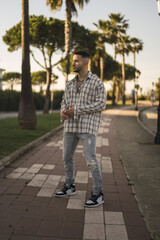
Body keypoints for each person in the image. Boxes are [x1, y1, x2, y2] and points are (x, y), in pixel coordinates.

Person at [55, 51, 106, 208]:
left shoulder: (97, 83)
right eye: (73, 61)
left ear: (85, 63)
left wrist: (77, 110)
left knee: (90, 160)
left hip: (87, 127)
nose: (73, 63)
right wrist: (63, 112)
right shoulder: (69, 84)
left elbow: (101, 104)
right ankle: (70, 186)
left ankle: (98, 193)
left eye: (76, 61)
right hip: (70, 126)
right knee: (66, 157)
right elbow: (64, 102)